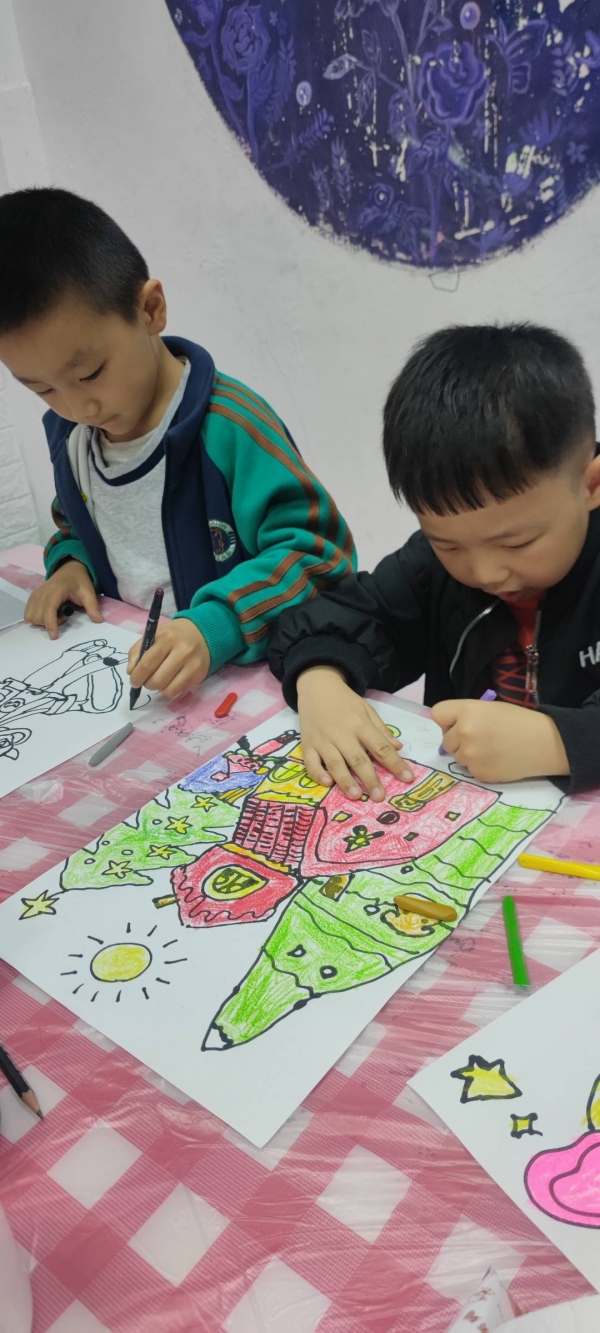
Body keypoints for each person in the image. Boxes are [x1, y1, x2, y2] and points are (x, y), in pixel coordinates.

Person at [0, 187, 355, 697]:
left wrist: (216, 625)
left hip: (250, 686)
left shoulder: (230, 429)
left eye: (91, 373)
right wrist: (72, 563)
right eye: (42, 389)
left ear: (150, 309)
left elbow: (322, 557)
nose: (79, 409)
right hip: (142, 689)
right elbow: (73, 522)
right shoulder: (71, 439)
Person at [269, 323, 600, 796]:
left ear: (591, 485)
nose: (484, 573)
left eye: (516, 544)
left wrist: (561, 742)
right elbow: (343, 614)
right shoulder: (435, 564)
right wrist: (320, 677)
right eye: (449, 545)